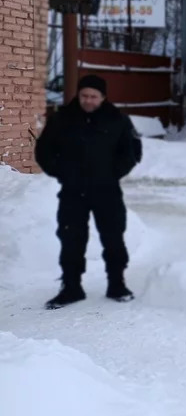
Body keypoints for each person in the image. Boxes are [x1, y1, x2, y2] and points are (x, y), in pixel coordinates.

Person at [34, 74, 143, 309]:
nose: (88, 100)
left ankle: (117, 284)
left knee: (113, 237)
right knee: (71, 239)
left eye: (94, 96)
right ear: (78, 95)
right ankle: (72, 288)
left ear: (103, 97)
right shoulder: (62, 119)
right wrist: (61, 172)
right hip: (72, 191)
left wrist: (114, 172)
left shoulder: (118, 120)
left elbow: (132, 151)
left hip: (107, 191)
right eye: (84, 95)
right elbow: (43, 150)